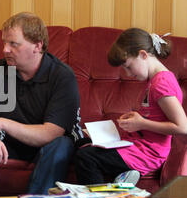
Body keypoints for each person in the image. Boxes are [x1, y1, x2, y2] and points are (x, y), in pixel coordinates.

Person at [0, 12, 83, 198]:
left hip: (45, 147)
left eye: (13, 44)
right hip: (6, 144)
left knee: (62, 144)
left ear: (37, 46)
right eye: (4, 43)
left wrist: (2, 123)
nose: (5, 49)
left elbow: (50, 133)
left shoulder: (62, 76)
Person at [75, 28, 187, 185]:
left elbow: (182, 127)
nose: (127, 73)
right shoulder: (156, 80)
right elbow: (154, 115)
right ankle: (124, 175)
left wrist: (141, 123)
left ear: (143, 55)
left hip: (148, 153)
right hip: (138, 145)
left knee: (86, 157)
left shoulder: (161, 84)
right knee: (81, 143)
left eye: (128, 66)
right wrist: (135, 121)